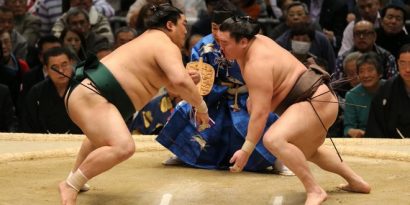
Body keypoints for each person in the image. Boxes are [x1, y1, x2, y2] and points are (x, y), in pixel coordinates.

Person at [58, 4, 210, 204]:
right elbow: (180, 82)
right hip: (93, 95)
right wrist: (202, 108)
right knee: (123, 146)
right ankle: (71, 184)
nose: (186, 30)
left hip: (88, 94)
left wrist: (186, 78)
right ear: (170, 25)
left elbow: (171, 81)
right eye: (183, 24)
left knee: (100, 137)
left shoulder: (150, 39)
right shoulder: (164, 43)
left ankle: (76, 174)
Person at [217, 16, 370, 204]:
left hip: (315, 100)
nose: (220, 48)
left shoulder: (256, 64)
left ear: (243, 41)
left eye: (224, 43)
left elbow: (261, 114)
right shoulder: (257, 42)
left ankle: (314, 190)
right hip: (318, 99)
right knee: (305, 151)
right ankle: (356, 181)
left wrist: (245, 150)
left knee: (274, 140)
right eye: (218, 41)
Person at [156, 1, 292, 174]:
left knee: (265, 117)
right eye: (214, 27)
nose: (217, 32)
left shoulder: (247, 44)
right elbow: (196, 73)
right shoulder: (204, 46)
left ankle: (278, 159)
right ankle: (184, 154)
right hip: (214, 96)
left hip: (247, 95)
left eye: (222, 28)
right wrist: (196, 79)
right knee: (185, 108)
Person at [21, 47, 82, 134]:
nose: (61, 71)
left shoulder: (83, 89)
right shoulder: (36, 92)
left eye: (64, 65)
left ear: (71, 63)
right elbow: (28, 124)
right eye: (55, 67)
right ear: (46, 69)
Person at [365, 43, 410, 138]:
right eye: (403, 63)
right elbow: (375, 127)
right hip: (393, 147)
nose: (407, 69)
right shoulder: (386, 89)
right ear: (397, 63)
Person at [344, 52, 385, 138]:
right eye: (361, 71)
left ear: (379, 73)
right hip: (365, 138)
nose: (366, 75)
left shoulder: (391, 88)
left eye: (370, 70)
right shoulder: (351, 95)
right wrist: (352, 131)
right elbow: (347, 128)